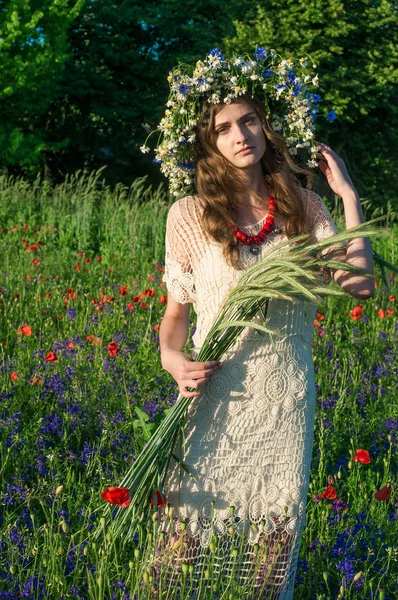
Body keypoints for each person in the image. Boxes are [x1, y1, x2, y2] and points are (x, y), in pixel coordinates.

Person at [144, 51, 375, 600]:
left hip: (283, 398)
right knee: (181, 543)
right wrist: (173, 361)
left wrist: (347, 197)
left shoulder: (307, 209)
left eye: (248, 120)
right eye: (223, 128)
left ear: (267, 127)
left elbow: (360, 284)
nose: (239, 134)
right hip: (214, 393)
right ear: (209, 143)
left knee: (270, 546)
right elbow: (176, 318)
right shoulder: (189, 215)